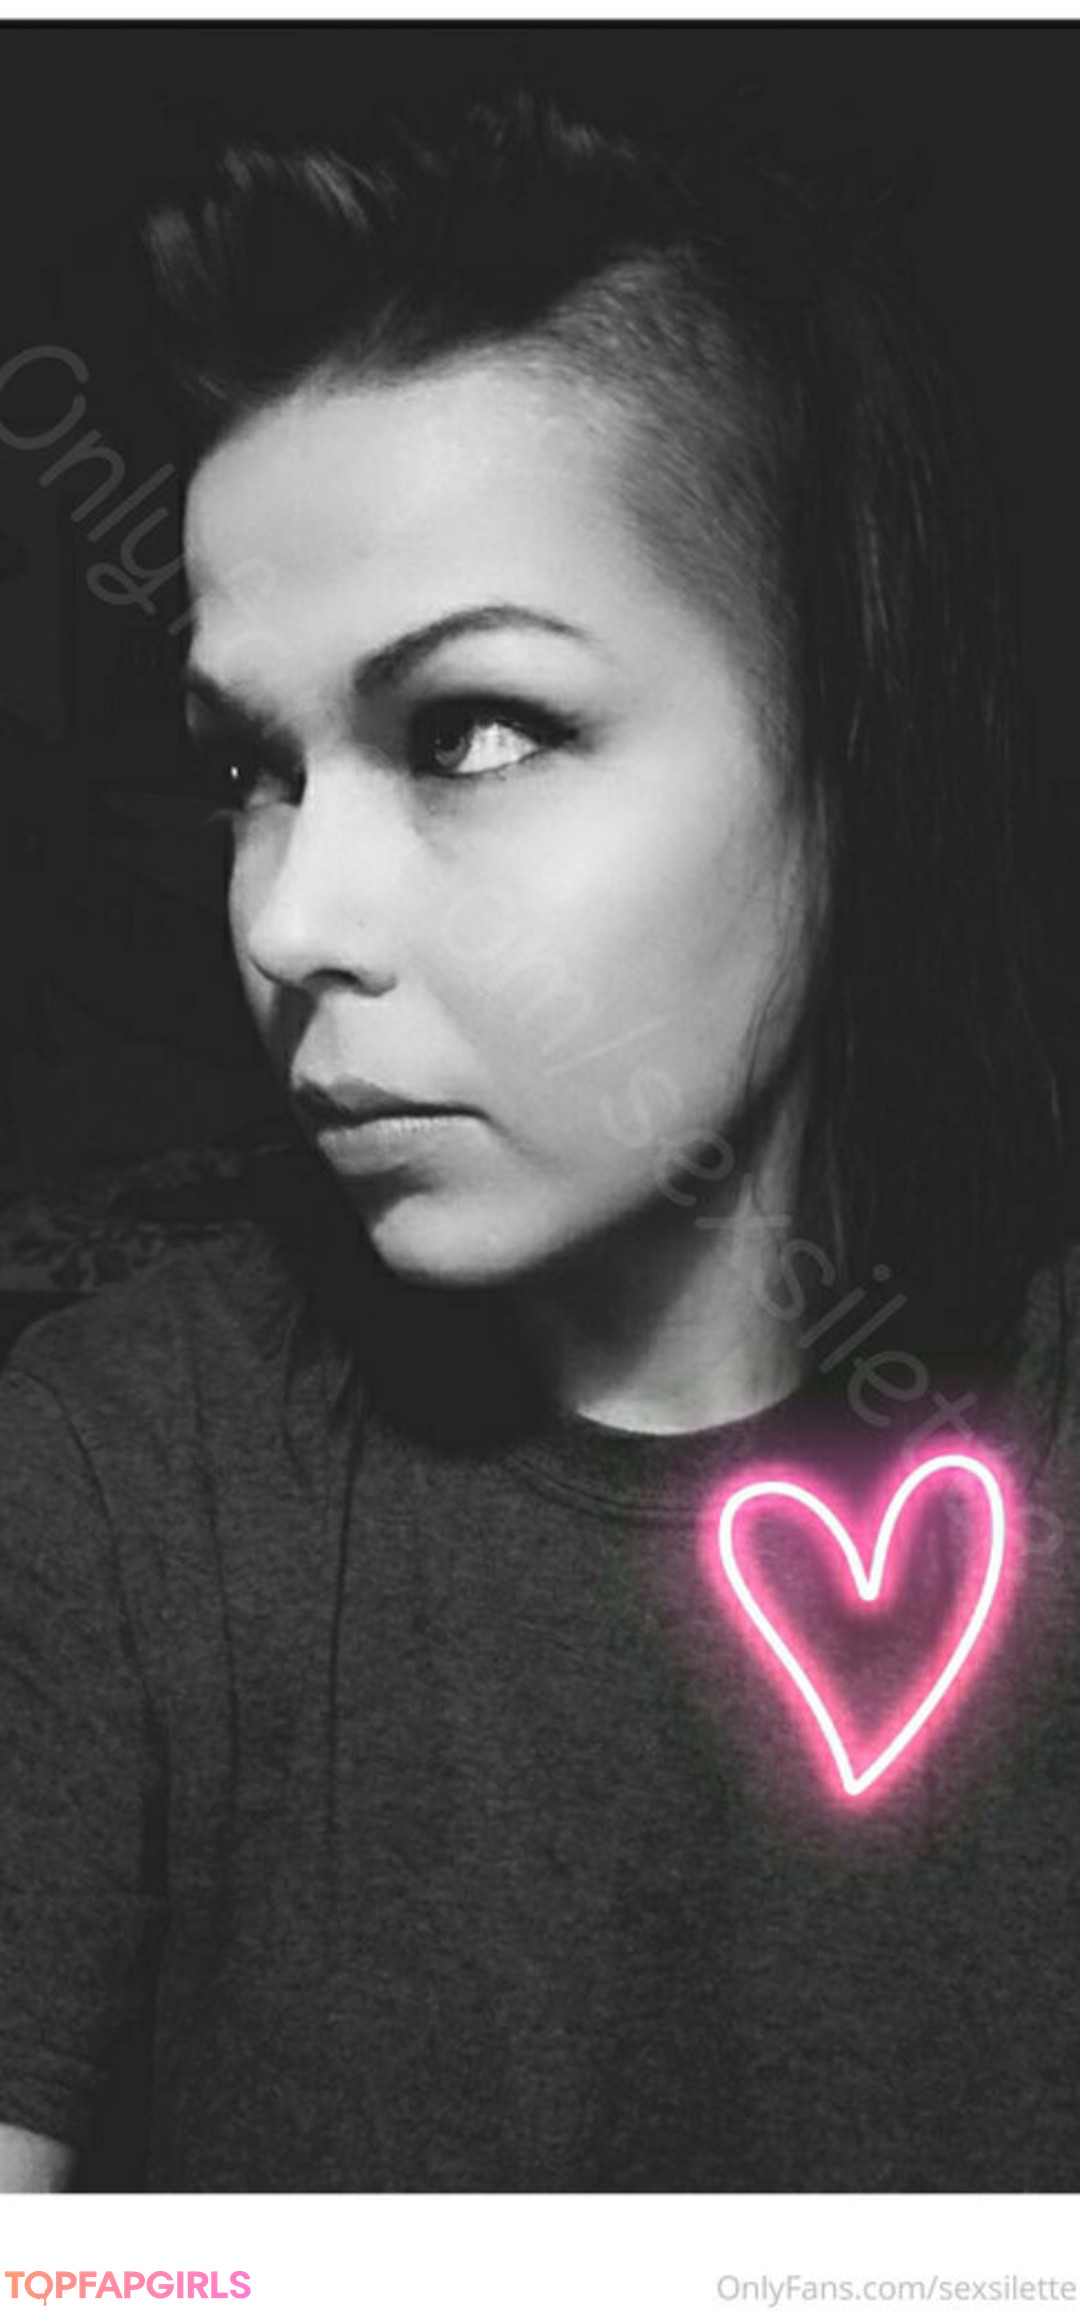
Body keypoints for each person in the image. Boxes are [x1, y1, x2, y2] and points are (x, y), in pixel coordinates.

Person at [0, 86, 1075, 2194]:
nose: (290, 920)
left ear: (847, 754)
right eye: (253, 767)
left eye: (473, 730)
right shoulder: (114, 1485)